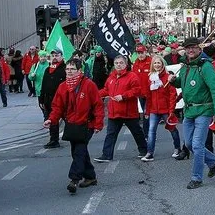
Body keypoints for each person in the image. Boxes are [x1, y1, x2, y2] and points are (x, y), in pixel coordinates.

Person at [168, 37, 215, 189]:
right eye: (187, 48)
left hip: (204, 110)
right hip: (189, 111)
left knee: (197, 145)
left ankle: (196, 178)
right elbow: (183, 82)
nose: (190, 50)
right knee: (188, 143)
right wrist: (174, 81)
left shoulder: (205, 66)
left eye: (193, 47)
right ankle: (213, 161)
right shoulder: (186, 66)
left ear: (199, 49)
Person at [43, 58, 104, 194]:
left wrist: (98, 124)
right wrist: (51, 120)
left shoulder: (89, 85)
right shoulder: (63, 86)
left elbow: (98, 105)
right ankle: (90, 177)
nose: (69, 71)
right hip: (72, 125)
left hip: (87, 124)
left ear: (79, 71)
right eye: (68, 69)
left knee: (79, 151)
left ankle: (74, 180)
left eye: (73, 69)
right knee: (77, 151)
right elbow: (57, 107)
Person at [94, 55, 147, 162]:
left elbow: (137, 90)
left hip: (129, 112)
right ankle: (107, 155)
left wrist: (124, 96)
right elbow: (106, 90)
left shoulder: (132, 76)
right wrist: (94, 94)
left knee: (137, 132)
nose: (118, 65)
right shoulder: (111, 78)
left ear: (126, 64)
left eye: (121, 63)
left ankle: (144, 150)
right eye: (116, 63)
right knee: (110, 134)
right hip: (114, 112)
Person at [141, 55, 181, 162]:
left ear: (163, 64)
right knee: (151, 131)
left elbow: (172, 95)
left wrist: (171, 111)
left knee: (172, 129)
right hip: (154, 110)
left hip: (166, 109)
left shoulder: (168, 77)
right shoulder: (150, 78)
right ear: (152, 65)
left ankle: (177, 148)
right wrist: (147, 110)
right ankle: (150, 153)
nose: (157, 65)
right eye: (155, 63)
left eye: (159, 63)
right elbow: (148, 96)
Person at [39, 48, 66, 149]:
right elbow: (44, 85)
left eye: (57, 55)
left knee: (68, 118)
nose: (55, 58)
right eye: (53, 56)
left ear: (61, 57)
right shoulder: (48, 69)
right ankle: (54, 140)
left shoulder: (65, 68)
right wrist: (41, 99)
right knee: (52, 120)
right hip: (49, 100)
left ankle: (77, 135)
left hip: (62, 99)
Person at [132, 44, 152, 139]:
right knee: (145, 114)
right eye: (138, 53)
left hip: (150, 93)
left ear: (145, 52)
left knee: (148, 113)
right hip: (140, 93)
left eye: (142, 53)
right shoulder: (135, 64)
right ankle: (147, 133)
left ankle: (149, 133)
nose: (140, 55)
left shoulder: (151, 61)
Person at [28, 50, 49, 120]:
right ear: (39, 57)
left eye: (44, 56)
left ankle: (47, 117)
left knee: (48, 104)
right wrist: (32, 75)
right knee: (41, 104)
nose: (43, 58)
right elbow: (30, 77)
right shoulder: (35, 66)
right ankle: (45, 114)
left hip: (48, 88)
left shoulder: (49, 65)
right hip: (39, 88)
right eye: (41, 57)